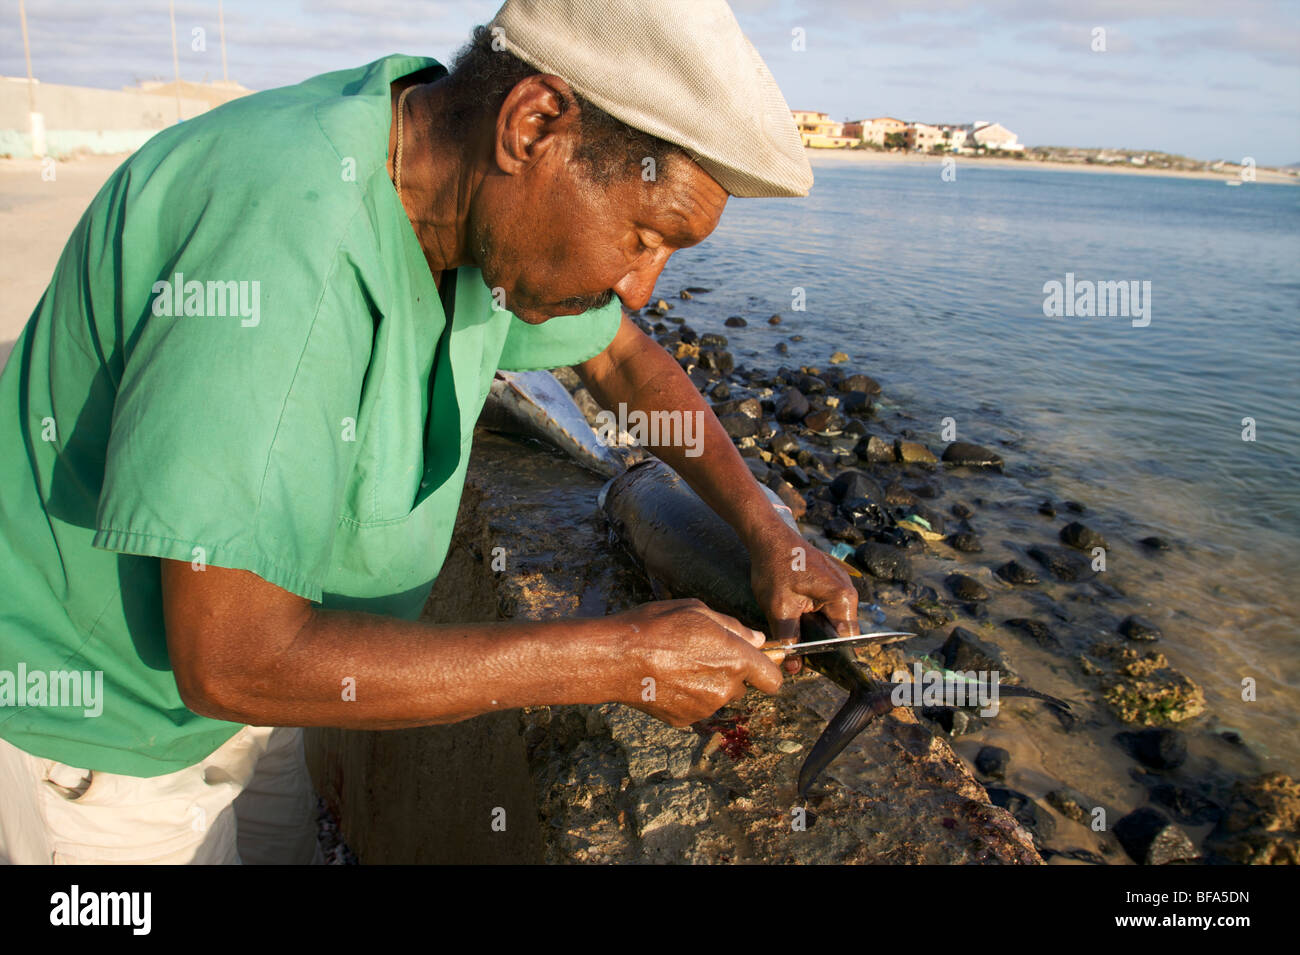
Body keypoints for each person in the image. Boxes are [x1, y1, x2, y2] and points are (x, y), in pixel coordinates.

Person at [0, 0, 856, 864]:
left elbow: (624, 363)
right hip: (101, 746)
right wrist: (617, 656)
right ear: (532, 124)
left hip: (255, 714)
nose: (639, 284)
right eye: (642, 235)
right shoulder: (285, 237)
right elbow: (230, 656)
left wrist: (763, 527)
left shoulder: (438, 175)